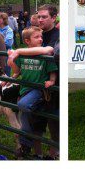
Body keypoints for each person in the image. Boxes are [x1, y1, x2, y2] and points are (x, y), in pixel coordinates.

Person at [11, 26, 58, 159]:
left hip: (38, 90)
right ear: (27, 41)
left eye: (41, 37)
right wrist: (9, 78)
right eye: (36, 37)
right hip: (26, 89)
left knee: (22, 105)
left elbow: (52, 69)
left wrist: (52, 81)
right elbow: (17, 71)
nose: (40, 39)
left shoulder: (44, 55)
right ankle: (26, 147)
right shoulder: (23, 55)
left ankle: (25, 144)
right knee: (25, 114)